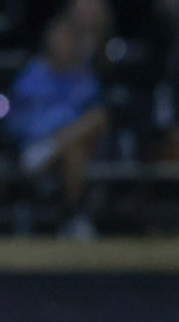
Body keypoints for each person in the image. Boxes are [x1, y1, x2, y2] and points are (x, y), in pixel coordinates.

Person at [6, 15, 108, 240]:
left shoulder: (84, 79)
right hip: (33, 146)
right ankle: (74, 217)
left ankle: (71, 217)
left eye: (68, 39)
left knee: (89, 129)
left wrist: (59, 140)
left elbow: (98, 120)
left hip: (66, 147)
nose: (63, 43)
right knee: (73, 150)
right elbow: (16, 121)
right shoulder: (32, 76)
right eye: (58, 38)